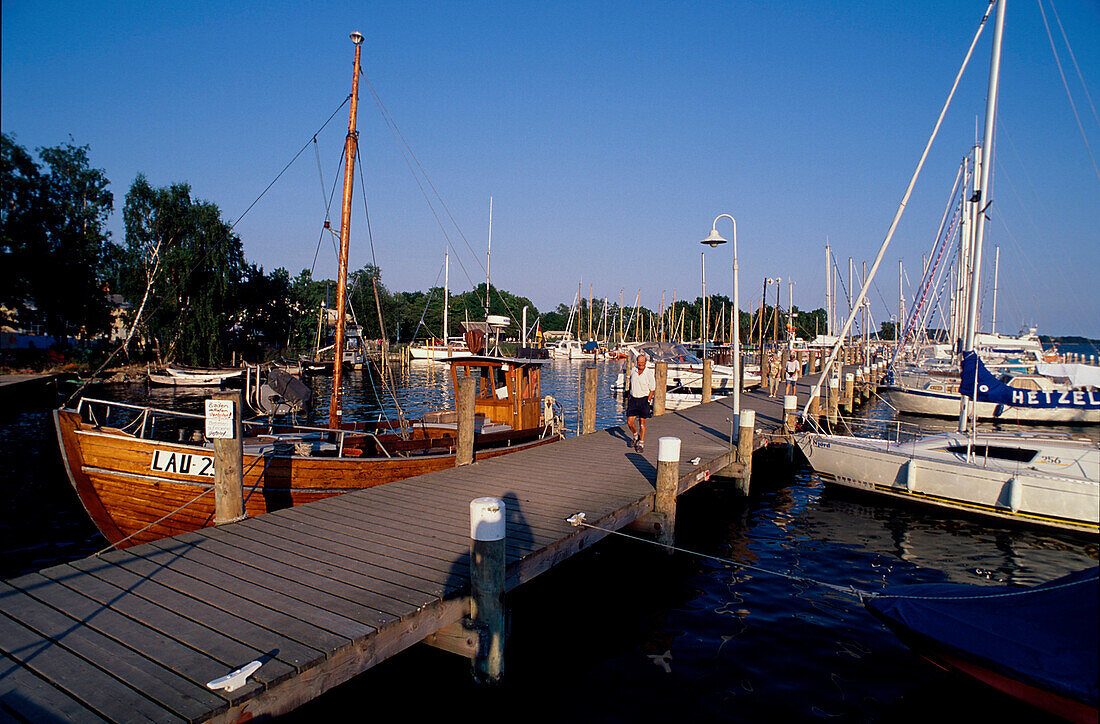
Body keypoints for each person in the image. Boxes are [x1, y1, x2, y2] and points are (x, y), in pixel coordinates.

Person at [625, 353, 656, 453]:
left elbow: (652, 389)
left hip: (643, 400)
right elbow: (630, 384)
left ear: (645, 363)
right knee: (630, 422)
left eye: (643, 362)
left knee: (642, 423)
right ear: (636, 362)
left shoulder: (649, 373)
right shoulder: (633, 370)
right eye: (639, 362)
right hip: (633, 399)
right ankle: (635, 435)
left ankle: (641, 443)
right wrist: (629, 395)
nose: (641, 364)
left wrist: (648, 401)